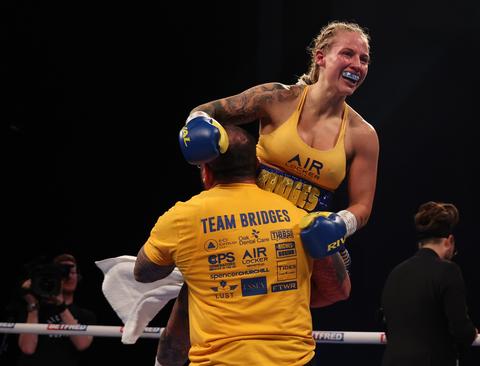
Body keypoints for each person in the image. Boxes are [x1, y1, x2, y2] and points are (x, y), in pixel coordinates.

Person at [152, 20, 378, 365]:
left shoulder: (363, 134)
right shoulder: (279, 99)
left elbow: (362, 205)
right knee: (184, 317)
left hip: (301, 240)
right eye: (347, 53)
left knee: (337, 291)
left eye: (364, 59)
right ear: (321, 57)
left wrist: (339, 224)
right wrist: (197, 129)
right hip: (243, 228)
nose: (357, 64)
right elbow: (205, 112)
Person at [134, 125, 351, 365]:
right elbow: (339, 292)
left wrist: (193, 267)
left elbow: (143, 273)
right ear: (258, 166)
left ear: (206, 172)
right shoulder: (296, 216)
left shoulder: (181, 219)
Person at [381, 201, 478, 366]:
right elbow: (461, 329)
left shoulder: (396, 273)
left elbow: (388, 325)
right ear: (449, 241)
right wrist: (471, 333)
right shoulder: (449, 271)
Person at [16, 253, 96, 366]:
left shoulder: (86, 315)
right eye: (62, 272)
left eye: (72, 272)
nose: (68, 276)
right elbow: (27, 349)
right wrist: (33, 304)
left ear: (78, 277)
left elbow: (82, 344)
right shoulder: (32, 310)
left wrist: (60, 305)